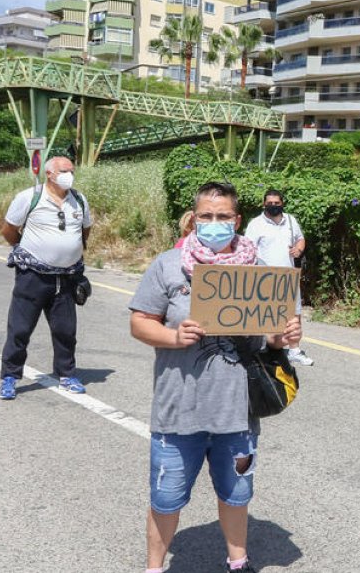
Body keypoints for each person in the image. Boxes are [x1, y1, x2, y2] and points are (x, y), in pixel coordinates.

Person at [130, 181, 303, 573]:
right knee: (165, 500)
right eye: (206, 216)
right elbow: (140, 323)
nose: (214, 223)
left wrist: (285, 336)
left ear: (237, 220)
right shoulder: (168, 265)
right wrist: (173, 337)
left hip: (237, 414)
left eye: (223, 216)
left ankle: (238, 562)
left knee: (237, 495)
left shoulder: (260, 273)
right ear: (194, 220)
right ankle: (154, 568)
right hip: (177, 413)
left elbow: (273, 334)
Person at [0, 156, 93, 400]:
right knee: (20, 328)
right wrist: (24, 248)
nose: (69, 175)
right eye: (63, 171)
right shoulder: (29, 197)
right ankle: (10, 377)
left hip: (66, 277)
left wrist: (72, 250)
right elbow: (9, 229)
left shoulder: (79, 200)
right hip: (33, 276)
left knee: (65, 330)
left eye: (71, 171)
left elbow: (86, 228)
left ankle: (67, 374)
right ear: (49, 174)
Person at [244, 189, 313, 367]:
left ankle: (294, 350)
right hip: (265, 277)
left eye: (277, 203)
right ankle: (261, 348)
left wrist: (299, 249)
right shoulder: (256, 224)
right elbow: (248, 249)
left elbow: (301, 239)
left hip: (289, 275)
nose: (273, 206)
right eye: (270, 203)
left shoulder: (290, 220)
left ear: (282, 203)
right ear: (263, 204)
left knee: (294, 313)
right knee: (264, 313)